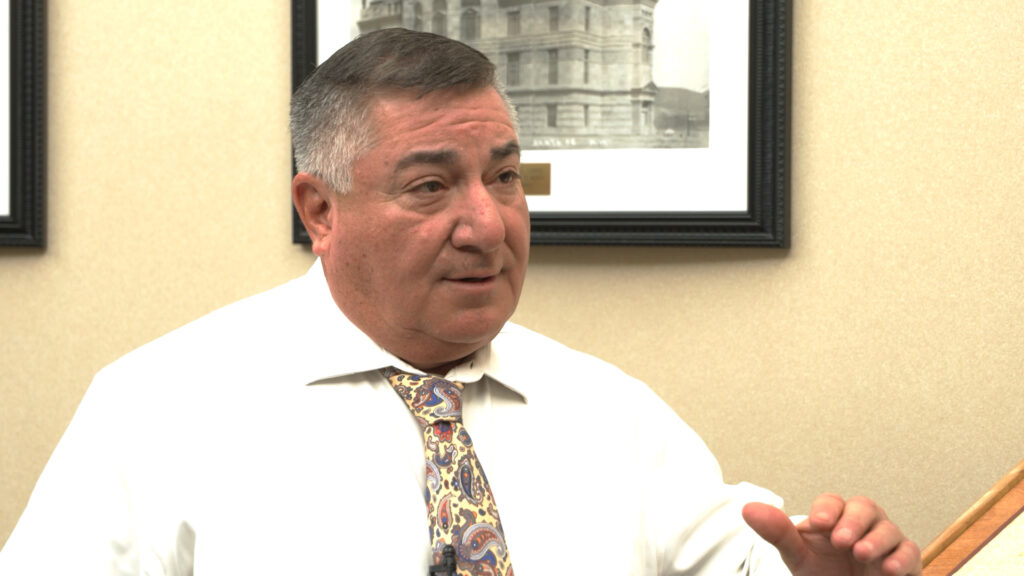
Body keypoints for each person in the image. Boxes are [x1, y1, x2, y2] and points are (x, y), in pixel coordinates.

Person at [0, 28, 922, 575]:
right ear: (320, 210)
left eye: (506, 177)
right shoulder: (157, 408)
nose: (487, 224)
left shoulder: (613, 414)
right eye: (431, 187)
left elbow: (756, 560)